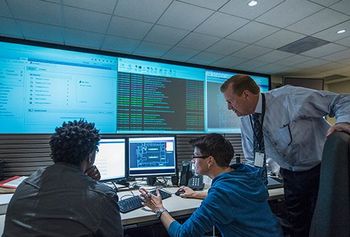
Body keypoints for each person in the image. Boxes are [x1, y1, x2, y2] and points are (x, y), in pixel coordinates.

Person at [220, 74, 350, 237]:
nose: (229, 107)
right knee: (297, 225)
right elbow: (253, 159)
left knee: (324, 223)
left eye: (230, 101)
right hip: (290, 176)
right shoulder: (247, 121)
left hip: (320, 171)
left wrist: (343, 122)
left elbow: (341, 100)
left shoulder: (289, 98)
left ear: (246, 94)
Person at [139, 133, 283, 237]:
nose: (193, 160)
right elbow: (233, 196)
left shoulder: (220, 194)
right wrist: (195, 194)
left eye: (195, 156)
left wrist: (159, 209)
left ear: (210, 161)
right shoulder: (244, 174)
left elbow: (183, 234)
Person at [2, 120, 123, 237]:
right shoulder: (103, 196)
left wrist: (88, 182)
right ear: (90, 156)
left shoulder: (25, 184)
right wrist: (93, 188)